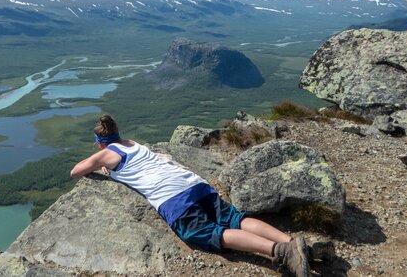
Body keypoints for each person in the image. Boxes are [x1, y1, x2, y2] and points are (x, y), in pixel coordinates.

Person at [70, 115, 312, 277]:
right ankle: (294, 244)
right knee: (234, 218)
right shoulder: (132, 143)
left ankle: (280, 252)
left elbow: (76, 171)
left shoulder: (106, 153)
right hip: (193, 183)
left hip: (173, 198)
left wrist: (101, 161)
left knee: (208, 232)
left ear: (99, 143)